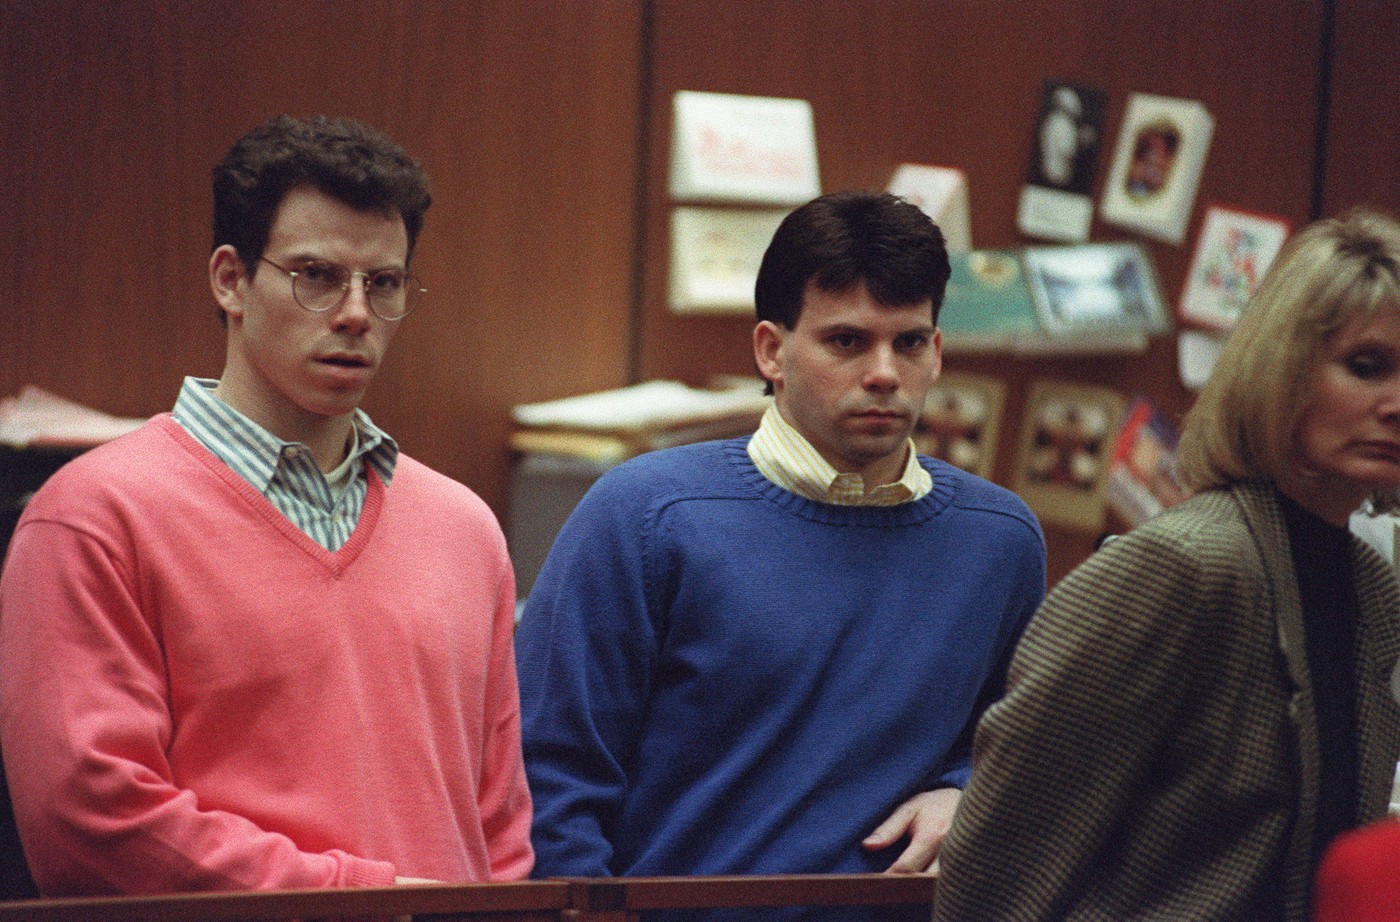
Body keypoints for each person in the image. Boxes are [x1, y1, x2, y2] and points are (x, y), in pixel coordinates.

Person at [0, 115, 533, 895]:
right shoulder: (92, 516)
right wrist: (366, 900)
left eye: (383, 283)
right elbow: (92, 821)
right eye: (317, 275)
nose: (355, 313)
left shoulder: (464, 527)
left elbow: (500, 833)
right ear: (230, 280)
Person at [515, 192, 1046, 895]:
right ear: (772, 350)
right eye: (847, 341)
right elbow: (547, 779)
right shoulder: (647, 513)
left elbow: (1028, 750)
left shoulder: (1001, 540)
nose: (885, 372)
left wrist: (968, 791)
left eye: (909, 342)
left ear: (938, 352)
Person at [933, 207, 1400, 921]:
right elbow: (998, 867)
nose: (1395, 403)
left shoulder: (1372, 590)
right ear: (1286, 372)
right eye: (1366, 367)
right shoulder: (1180, 567)